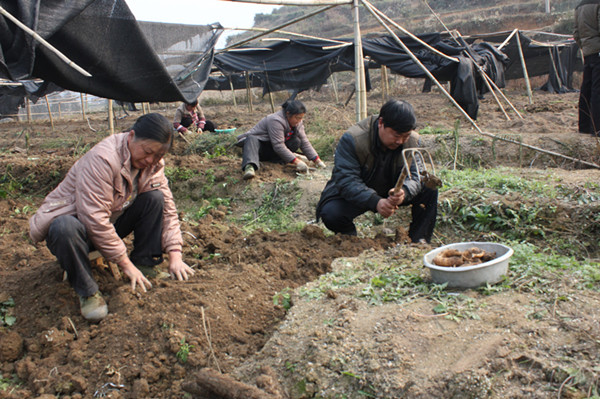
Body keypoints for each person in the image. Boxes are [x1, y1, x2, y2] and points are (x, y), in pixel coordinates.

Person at [29, 113, 195, 323]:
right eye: (147, 152)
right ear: (131, 136)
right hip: (77, 231)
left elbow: (168, 209)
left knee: (155, 198)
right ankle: (87, 292)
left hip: (109, 222)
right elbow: (93, 218)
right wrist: (125, 264)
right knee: (64, 227)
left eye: (158, 155)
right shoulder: (103, 159)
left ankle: (145, 264)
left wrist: (175, 254)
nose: (150, 160)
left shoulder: (152, 165)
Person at [316, 99, 438, 243]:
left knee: (430, 186)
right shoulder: (353, 139)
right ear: (381, 123)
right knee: (331, 213)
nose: (400, 141)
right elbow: (346, 180)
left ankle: (419, 241)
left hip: (391, 187)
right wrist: (375, 201)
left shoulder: (412, 141)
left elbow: (416, 176)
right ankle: (350, 240)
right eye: (396, 135)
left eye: (405, 136)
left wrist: (404, 192)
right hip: (361, 188)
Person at [236, 100, 326, 180]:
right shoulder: (275, 120)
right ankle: (250, 167)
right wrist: (296, 161)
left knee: (296, 141)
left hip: (272, 150)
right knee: (252, 139)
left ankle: (278, 161)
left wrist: (317, 160)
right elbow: (278, 145)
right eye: (297, 118)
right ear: (288, 113)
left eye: (301, 118)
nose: (299, 120)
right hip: (259, 149)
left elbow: (304, 142)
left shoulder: (297, 123)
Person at [574, 0, 600, 136]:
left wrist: (585, 47)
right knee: (597, 91)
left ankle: (584, 126)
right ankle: (597, 128)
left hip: (588, 52)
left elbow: (576, 33)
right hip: (598, 51)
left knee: (586, 89)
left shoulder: (580, 6)